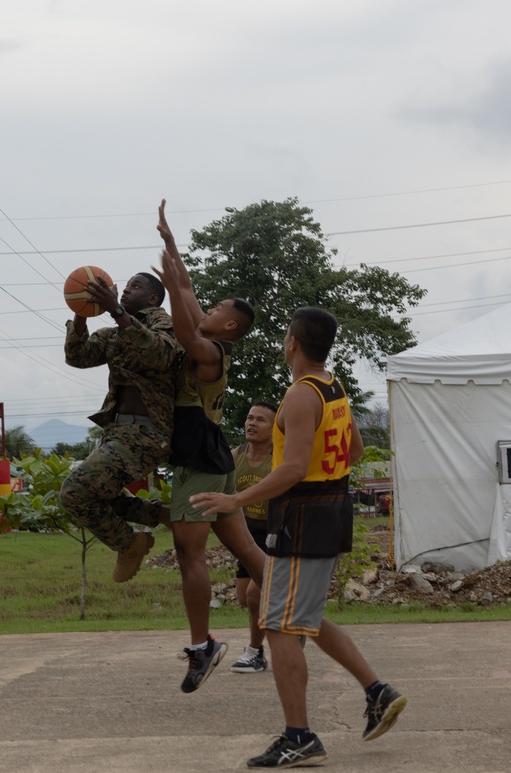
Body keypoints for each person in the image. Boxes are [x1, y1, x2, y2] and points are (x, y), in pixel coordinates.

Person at [191, 307, 407, 768]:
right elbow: (355, 450)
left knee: (279, 625)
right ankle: (377, 690)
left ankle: (300, 736)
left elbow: (291, 468)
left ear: (292, 342)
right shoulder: (334, 388)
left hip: (303, 516)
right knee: (301, 614)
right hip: (328, 511)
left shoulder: (300, 396)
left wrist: (235, 499)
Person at [153, 201, 267, 693]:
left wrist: (178, 293)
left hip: (199, 458)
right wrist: (172, 244)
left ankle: (203, 645)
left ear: (228, 329)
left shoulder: (208, 351)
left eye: (219, 310)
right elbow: (185, 289)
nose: (210, 310)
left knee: (189, 553)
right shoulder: (210, 334)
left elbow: (182, 323)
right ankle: (299, 612)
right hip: (215, 457)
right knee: (251, 554)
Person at [60, 270, 181, 582]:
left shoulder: (162, 321)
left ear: (153, 298)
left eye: (135, 287)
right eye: (125, 287)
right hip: (117, 433)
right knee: (99, 494)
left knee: (74, 492)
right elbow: (78, 357)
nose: (126, 291)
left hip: (148, 433)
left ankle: (130, 544)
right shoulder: (114, 332)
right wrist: (82, 315)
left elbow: (159, 354)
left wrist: (116, 310)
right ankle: (159, 515)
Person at [229, 401, 278, 674]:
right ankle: (289, 625)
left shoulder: (280, 456)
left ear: (274, 428)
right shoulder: (235, 455)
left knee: (255, 595)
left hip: (274, 533)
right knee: (244, 598)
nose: (251, 423)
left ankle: (255, 654)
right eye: (249, 418)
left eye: (260, 420)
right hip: (245, 535)